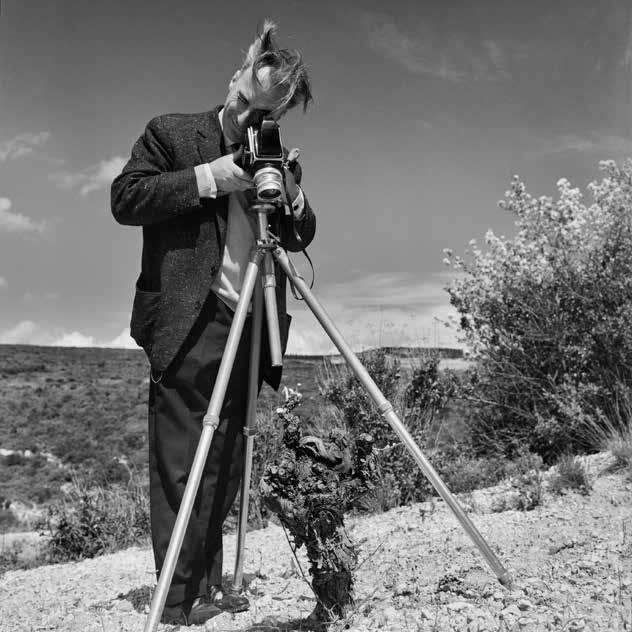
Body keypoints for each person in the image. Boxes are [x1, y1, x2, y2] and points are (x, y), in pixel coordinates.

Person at [111, 20, 316, 626]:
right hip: (188, 319)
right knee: (181, 461)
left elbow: (302, 234)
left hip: (253, 323)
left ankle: (207, 582)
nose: (247, 115)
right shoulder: (172, 134)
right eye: (244, 99)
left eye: (263, 112)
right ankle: (177, 604)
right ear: (235, 79)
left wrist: (294, 200)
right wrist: (212, 178)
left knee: (225, 460)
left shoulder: (277, 157)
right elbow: (126, 199)